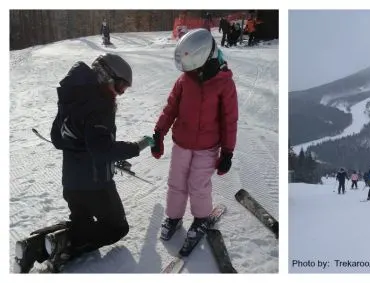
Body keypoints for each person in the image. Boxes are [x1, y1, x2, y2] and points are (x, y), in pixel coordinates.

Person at [15, 53, 153, 273]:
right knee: (117, 228)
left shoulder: (72, 97)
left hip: (71, 182)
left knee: (82, 225)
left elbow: (58, 138)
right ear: (105, 77)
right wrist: (135, 147)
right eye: (119, 87)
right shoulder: (100, 105)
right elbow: (101, 150)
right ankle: (63, 245)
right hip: (96, 185)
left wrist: (90, 149)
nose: (120, 93)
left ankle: (36, 245)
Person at [151, 29, 238, 242]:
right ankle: (174, 217)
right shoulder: (184, 80)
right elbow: (170, 108)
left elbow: (229, 120)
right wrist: (159, 132)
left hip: (207, 147)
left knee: (198, 185)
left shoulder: (224, 83)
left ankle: (201, 218)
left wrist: (227, 152)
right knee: (176, 182)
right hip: (181, 143)